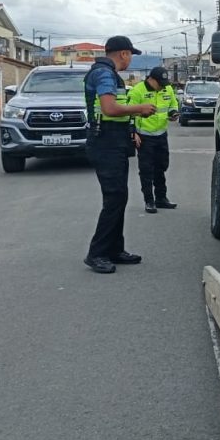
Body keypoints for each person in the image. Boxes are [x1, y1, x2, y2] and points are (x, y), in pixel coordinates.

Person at [83, 36, 157, 275]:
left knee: (119, 197)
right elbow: (109, 108)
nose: (131, 59)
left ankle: (115, 248)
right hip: (106, 142)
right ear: (124, 53)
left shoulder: (107, 74)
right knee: (114, 197)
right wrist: (140, 108)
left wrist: (131, 130)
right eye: (131, 55)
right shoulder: (104, 74)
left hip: (114, 140)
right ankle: (97, 253)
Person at [128, 66, 180, 214]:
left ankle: (161, 198)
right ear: (151, 79)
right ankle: (149, 201)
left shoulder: (166, 88)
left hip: (161, 135)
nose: (162, 86)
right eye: (160, 83)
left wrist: (173, 113)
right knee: (146, 170)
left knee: (161, 167)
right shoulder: (138, 91)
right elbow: (129, 112)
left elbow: (173, 104)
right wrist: (133, 133)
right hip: (144, 136)